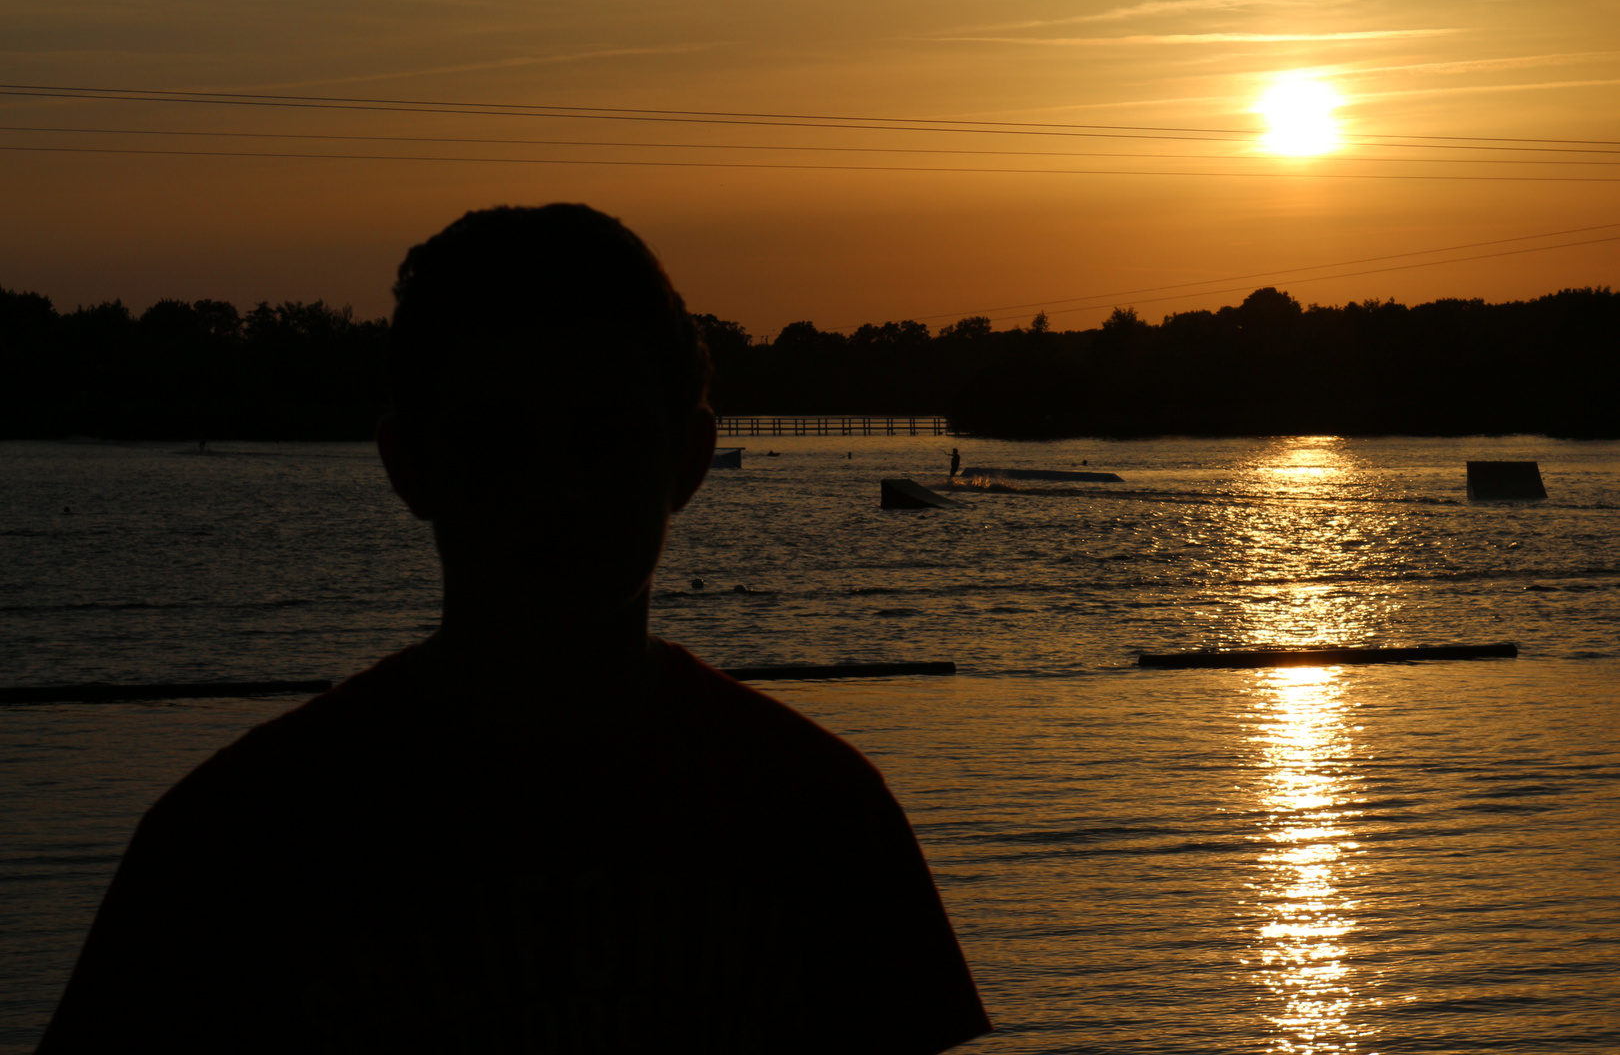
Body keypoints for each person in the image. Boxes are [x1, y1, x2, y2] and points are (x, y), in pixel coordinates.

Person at [38, 204, 990, 1054]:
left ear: (688, 461)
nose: (555, 494)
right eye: (501, 441)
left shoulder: (822, 824)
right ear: (410, 464)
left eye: (603, 439)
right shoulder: (230, 853)